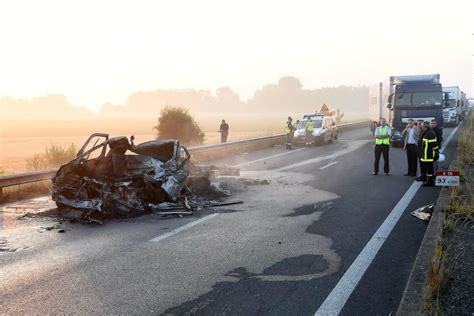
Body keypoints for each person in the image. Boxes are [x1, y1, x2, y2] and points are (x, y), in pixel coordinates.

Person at [416, 121, 439, 186]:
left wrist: (436, 152)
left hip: (428, 155)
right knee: (426, 168)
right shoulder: (426, 132)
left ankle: (430, 182)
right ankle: (426, 179)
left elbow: (434, 145)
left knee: (430, 170)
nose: (421, 127)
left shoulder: (430, 133)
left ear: (425, 127)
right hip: (425, 155)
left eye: (422, 126)